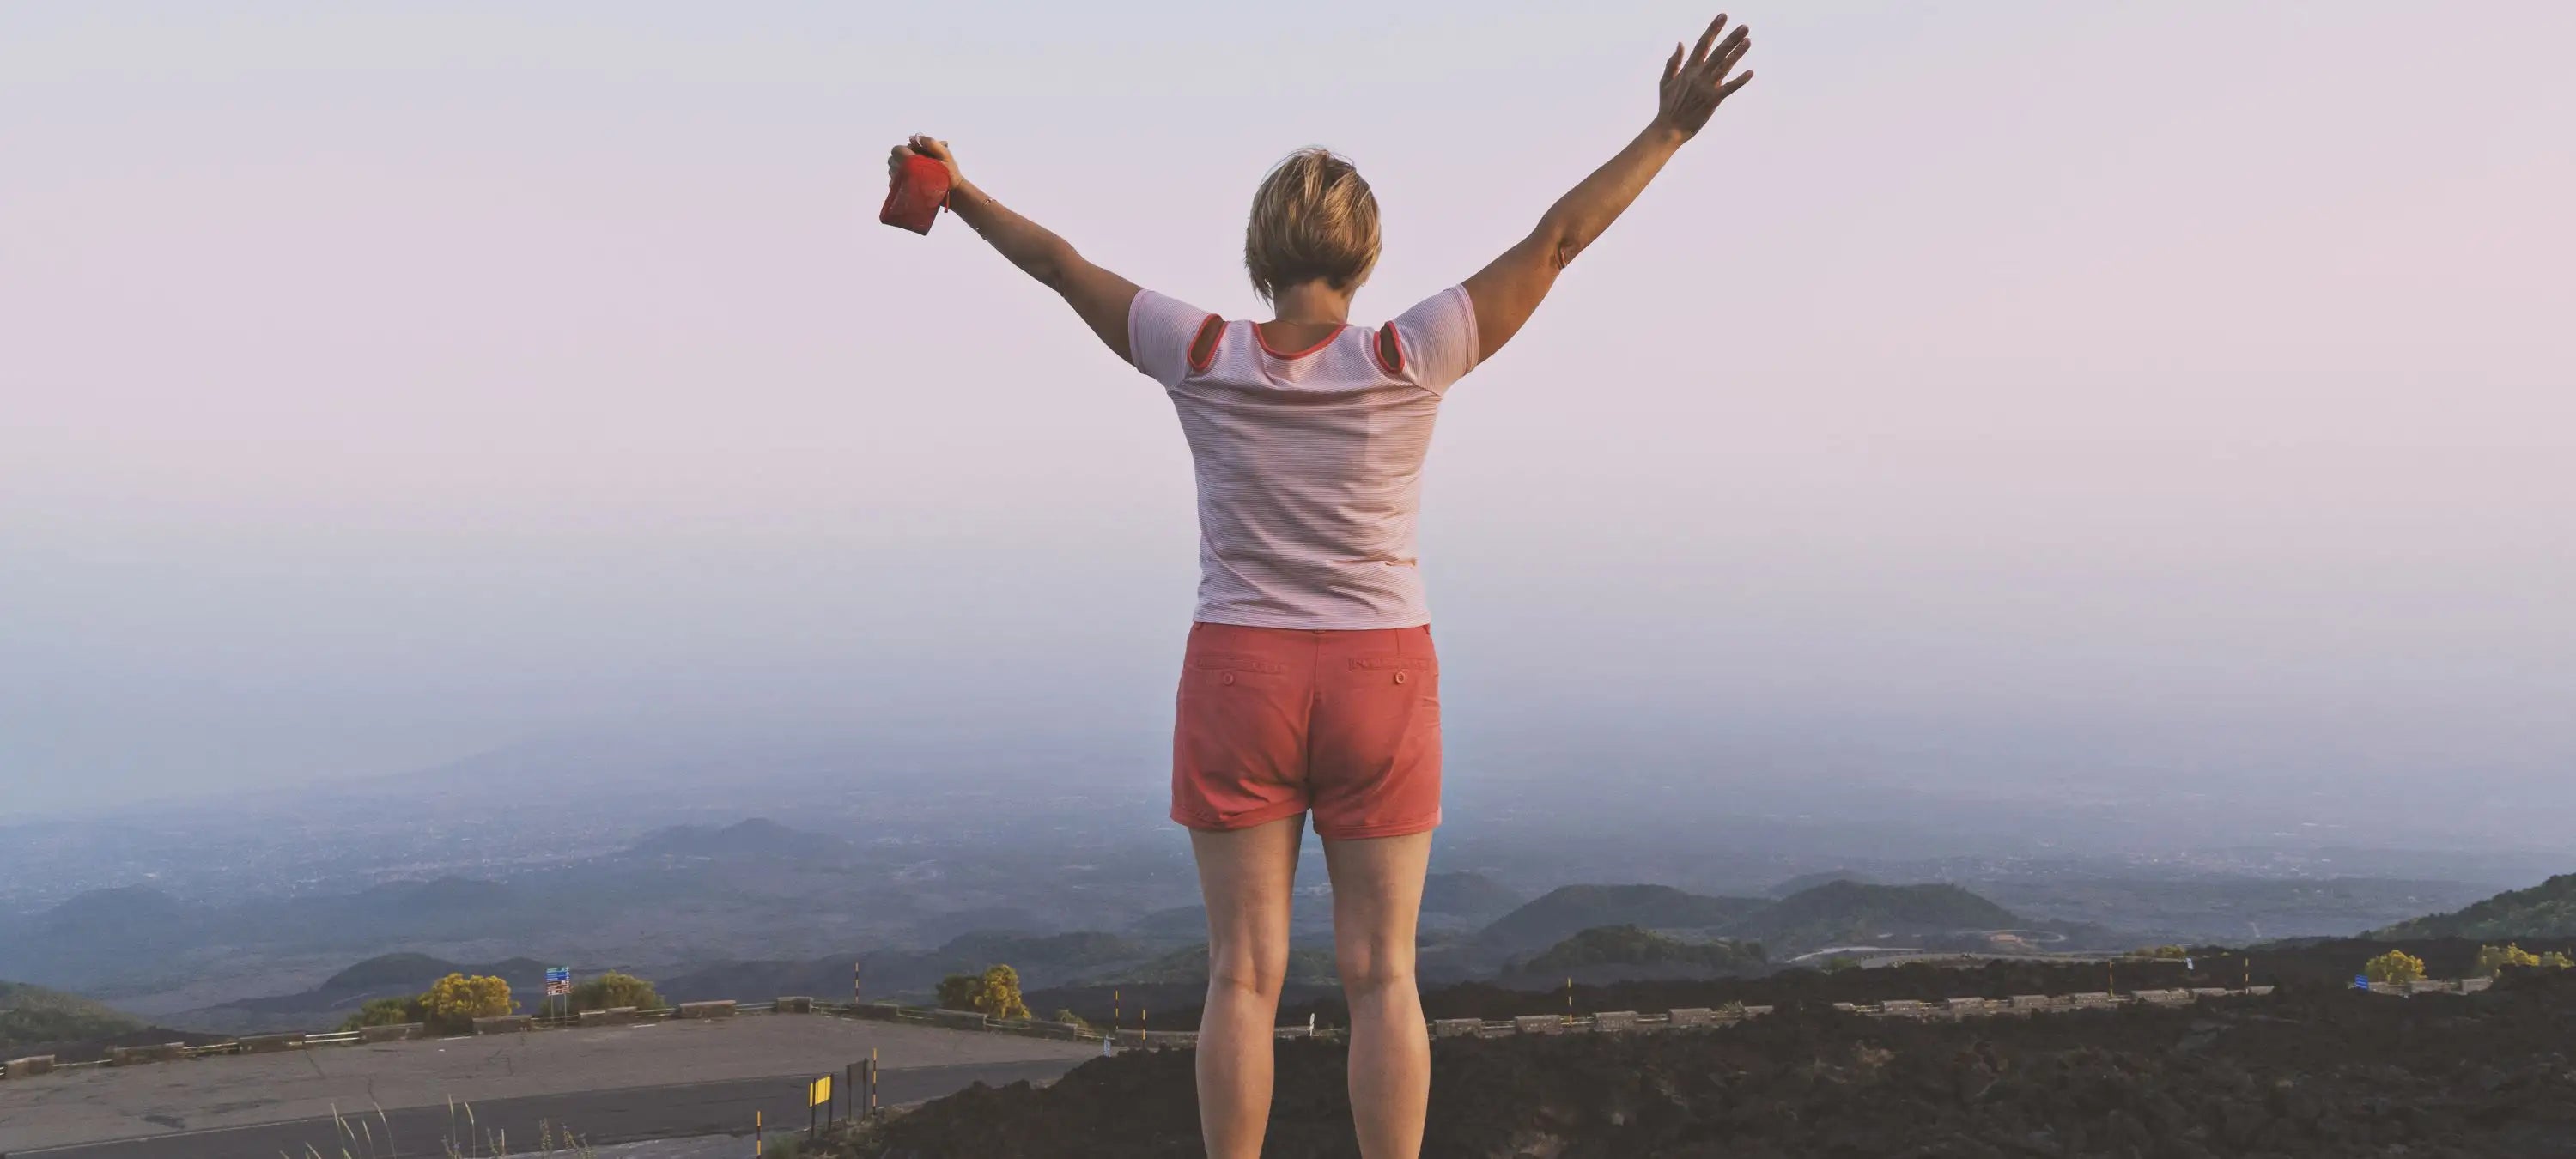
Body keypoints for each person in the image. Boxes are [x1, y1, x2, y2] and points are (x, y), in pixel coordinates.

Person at [888, 15, 1753, 1156]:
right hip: (1381, 672)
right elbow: (1555, 244)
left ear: (1260, 254)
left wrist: (960, 194)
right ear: (1365, 255)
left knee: (1241, 976)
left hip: (1239, 671)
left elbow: (1056, 265)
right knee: (1384, 975)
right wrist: (1668, 131)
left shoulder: (1196, 351)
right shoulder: (1412, 353)